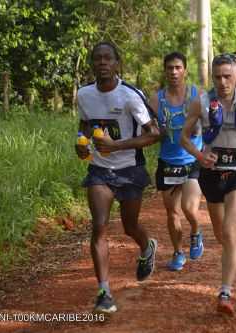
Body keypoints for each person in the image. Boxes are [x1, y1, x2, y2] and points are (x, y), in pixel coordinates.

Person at [180, 54, 236, 316]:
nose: (222, 82)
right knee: (222, 235)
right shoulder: (201, 103)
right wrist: (200, 156)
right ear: (212, 77)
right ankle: (230, 253)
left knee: (231, 232)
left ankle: (225, 292)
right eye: (218, 76)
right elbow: (184, 138)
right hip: (211, 175)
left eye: (227, 76)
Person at [75, 41, 160, 314]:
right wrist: (82, 142)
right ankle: (104, 291)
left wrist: (117, 146)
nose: (102, 63)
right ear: (92, 64)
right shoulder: (84, 94)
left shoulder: (130, 96)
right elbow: (86, 124)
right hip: (99, 171)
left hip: (130, 170)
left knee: (130, 227)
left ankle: (147, 247)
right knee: (99, 226)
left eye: (107, 58)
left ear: (116, 63)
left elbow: (155, 133)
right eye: (97, 58)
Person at [148, 52, 204, 271]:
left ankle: (196, 232)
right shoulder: (156, 99)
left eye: (178, 67)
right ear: (165, 71)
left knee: (189, 208)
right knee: (172, 212)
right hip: (168, 162)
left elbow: (211, 122)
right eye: (169, 68)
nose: (173, 72)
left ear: (185, 70)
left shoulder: (196, 94)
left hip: (192, 159)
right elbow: (149, 128)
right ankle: (178, 252)